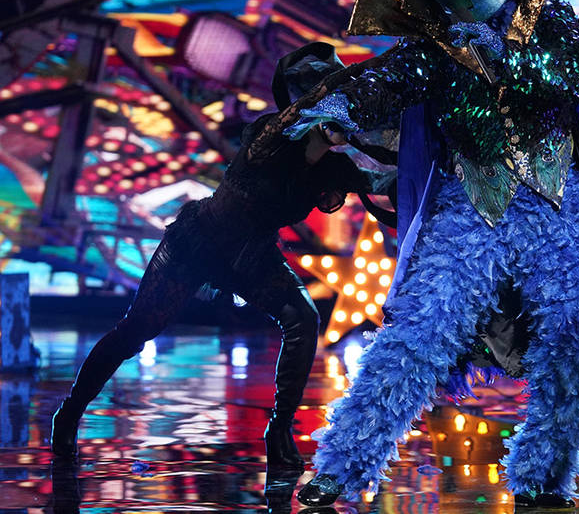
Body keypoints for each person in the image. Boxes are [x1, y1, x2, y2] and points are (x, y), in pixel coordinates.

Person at [279, 0, 579, 506]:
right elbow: (387, 81)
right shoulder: (434, 45)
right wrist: (339, 108)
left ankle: (543, 476)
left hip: (558, 210)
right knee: (416, 336)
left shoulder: (551, 19)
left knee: (578, 340)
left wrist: (499, 55)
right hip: (471, 212)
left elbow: (572, 75)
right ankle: (341, 469)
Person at [49, 42, 392, 473]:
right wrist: (333, 94)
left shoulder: (332, 169)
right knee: (137, 330)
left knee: (303, 319)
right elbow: (294, 118)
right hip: (199, 243)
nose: (340, 122)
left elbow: (385, 180)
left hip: (252, 256)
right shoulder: (271, 137)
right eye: (330, 108)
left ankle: (279, 430)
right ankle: (70, 413)